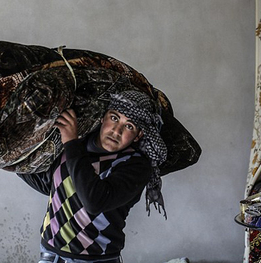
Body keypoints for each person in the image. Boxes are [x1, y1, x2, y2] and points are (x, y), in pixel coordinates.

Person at [18, 90, 168, 263]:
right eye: (114, 118)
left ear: (138, 135)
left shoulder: (135, 166)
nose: (116, 131)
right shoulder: (76, 144)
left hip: (95, 259)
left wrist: (71, 142)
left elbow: (94, 201)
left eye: (129, 126)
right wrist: (14, 163)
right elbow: (52, 186)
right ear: (103, 118)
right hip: (49, 253)